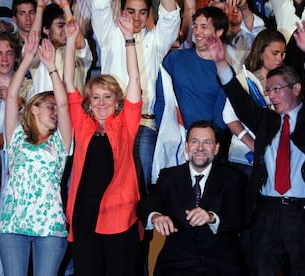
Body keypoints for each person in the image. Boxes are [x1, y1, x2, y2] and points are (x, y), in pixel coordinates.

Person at [209, 22, 305, 275]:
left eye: (277, 89)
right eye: (269, 91)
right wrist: (220, 63)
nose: (272, 95)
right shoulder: (266, 121)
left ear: (297, 88)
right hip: (266, 211)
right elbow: (237, 98)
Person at [64, 14, 142, 275]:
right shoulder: (82, 124)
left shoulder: (126, 123)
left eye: (107, 96)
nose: (100, 102)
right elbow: (67, 82)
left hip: (119, 215)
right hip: (84, 215)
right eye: (95, 97)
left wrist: (129, 38)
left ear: (117, 100)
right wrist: (71, 40)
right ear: (88, 101)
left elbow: (135, 78)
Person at [0, 33, 72, 275]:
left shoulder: (61, 142)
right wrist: (27, 58)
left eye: (55, 108)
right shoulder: (16, 136)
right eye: (49, 107)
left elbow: (64, 104)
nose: (55, 112)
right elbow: (10, 96)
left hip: (49, 228)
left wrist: (51, 67)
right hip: (12, 225)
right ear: (34, 109)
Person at [92, 0, 180, 192]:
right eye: (131, 11)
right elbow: (99, 7)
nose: (136, 18)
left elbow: (171, 17)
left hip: (143, 124)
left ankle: (142, 222)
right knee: (108, 184)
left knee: (141, 186)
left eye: (142, 12)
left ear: (149, 14)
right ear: (122, 11)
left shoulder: (156, 41)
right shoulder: (109, 35)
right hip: (111, 123)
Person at [138, 120, 246, 275]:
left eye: (207, 142)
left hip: (220, 265)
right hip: (176, 264)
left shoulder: (232, 179)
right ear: (186, 147)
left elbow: (237, 219)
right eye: (195, 142)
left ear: (216, 149)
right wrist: (155, 217)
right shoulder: (169, 176)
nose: (200, 148)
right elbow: (146, 204)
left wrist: (211, 217)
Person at [155, 6, 229, 135]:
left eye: (204, 27)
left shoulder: (224, 71)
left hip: (206, 142)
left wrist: (209, 139)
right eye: (195, 26)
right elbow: (161, 99)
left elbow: (221, 115)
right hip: (173, 137)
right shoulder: (175, 58)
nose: (197, 31)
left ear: (219, 32)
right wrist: (165, 132)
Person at [223, 29, 287, 176]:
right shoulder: (245, 78)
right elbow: (228, 117)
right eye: (275, 53)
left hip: (274, 154)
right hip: (244, 156)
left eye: (283, 54)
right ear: (260, 51)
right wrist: (253, 145)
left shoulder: (285, 81)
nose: (280, 58)